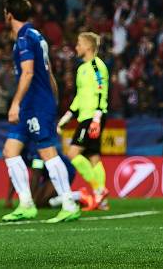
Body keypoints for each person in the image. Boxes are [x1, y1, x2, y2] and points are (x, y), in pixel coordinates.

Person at [2, 0, 80, 223]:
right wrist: (53, 101)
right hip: (35, 103)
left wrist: (15, 103)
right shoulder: (36, 36)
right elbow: (49, 73)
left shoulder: (24, 38)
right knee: (10, 151)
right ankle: (26, 204)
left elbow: (28, 73)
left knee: (47, 153)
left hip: (34, 103)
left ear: (9, 14)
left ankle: (68, 203)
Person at [57, 32, 110, 210]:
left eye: (79, 44)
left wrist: (97, 117)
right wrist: (67, 116)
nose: (76, 47)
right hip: (85, 116)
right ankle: (102, 201)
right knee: (93, 156)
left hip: (93, 117)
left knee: (73, 154)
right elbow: (79, 97)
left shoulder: (97, 66)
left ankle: (98, 190)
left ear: (88, 46)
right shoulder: (81, 69)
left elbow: (102, 91)